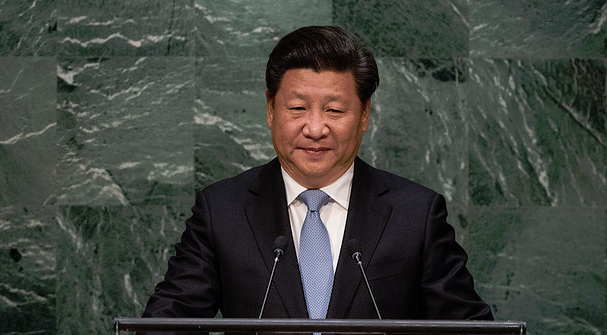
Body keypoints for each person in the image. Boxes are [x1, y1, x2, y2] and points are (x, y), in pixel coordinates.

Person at [141, 25, 492, 332]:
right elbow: (168, 323)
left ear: (365, 113)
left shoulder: (416, 214)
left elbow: (469, 330)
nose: (314, 128)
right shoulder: (222, 211)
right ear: (270, 108)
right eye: (297, 108)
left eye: (334, 110)